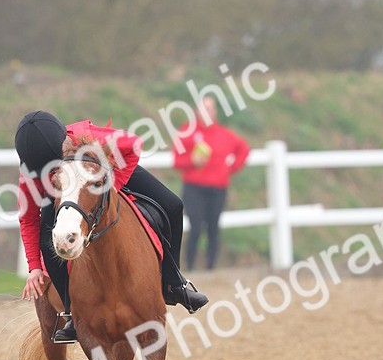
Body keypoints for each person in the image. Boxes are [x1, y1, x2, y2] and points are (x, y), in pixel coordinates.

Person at [15, 110, 208, 343]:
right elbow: (28, 219)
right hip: (62, 192)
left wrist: (110, 187)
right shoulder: (30, 172)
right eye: (43, 172)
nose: (48, 174)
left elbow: (134, 143)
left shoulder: (90, 137)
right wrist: (34, 267)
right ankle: (70, 311)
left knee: (174, 205)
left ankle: (174, 282)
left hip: (108, 170)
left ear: (63, 148)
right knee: (48, 242)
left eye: (53, 167)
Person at [173, 95, 250, 271]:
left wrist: (230, 169)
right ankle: (189, 267)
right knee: (195, 228)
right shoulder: (187, 132)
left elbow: (244, 149)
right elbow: (176, 161)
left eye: (210, 108)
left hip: (218, 189)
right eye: (203, 108)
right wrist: (192, 162)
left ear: (215, 111)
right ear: (196, 111)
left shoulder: (224, 134)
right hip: (194, 188)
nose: (207, 112)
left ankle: (210, 268)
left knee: (213, 228)